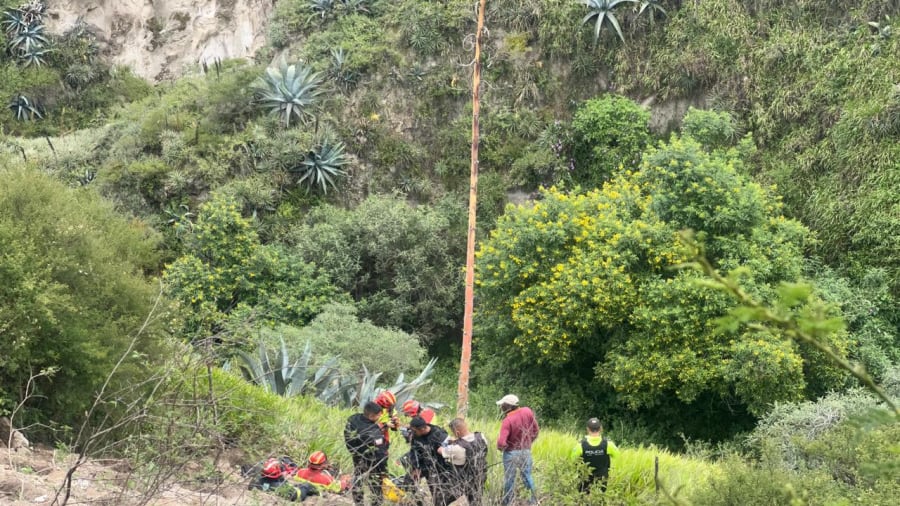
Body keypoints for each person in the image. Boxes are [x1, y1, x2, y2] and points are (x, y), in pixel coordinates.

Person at [496, 394, 539, 506]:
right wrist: (528, 442)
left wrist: (501, 448)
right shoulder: (527, 411)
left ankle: (508, 503)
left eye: (502, 405)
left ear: (507, 406)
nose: (501, 408)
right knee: (527, 477)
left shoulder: (507, 420)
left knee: (509, 479)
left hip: (511, 453)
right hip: (526, 451)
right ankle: (534, 501)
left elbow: (501, 443)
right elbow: (536, 430)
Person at [345, 401, 389, 506]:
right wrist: (384, 471)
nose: (380, 418)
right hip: (372, 460)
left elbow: (361, 432)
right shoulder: (373, 432)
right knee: (375, 485)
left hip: (356, 455)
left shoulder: (353, 420)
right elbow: (381, 454)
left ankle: (358, 503)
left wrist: (382, 427)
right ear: (371, 415)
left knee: (358, 479)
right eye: (378, 415)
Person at [409, 416, 454, 506]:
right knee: (409, 482)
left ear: (422, 429)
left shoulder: (439, 434)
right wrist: (416, 467)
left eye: (414, 431)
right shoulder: (416, 436)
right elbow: (414, 451)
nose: (412, 433)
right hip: (426, 468)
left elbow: (451, 450)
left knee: (439, 497)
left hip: (441, 469)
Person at [442, 417, 488, 506]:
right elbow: (471, 443)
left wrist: (446, 444)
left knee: (442, 500)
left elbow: (441, 450)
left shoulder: (457, 448)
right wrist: (457, 440)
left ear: (457, 432)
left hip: (463, 481)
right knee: (475, 501)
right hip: (481, 475)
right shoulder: (481, 436)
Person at [570, 417, 619, 494]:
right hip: (602, 480)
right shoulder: (608, 444)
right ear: (600, 428)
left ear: (588, 429)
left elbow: (572, 459)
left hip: (585, 479)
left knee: (583, 499)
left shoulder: (580, 445)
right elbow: (617, 455)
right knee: (600, 499)